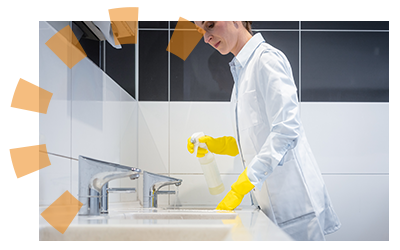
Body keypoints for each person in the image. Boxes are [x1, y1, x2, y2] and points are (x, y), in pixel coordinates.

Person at [187, 21, 341, 241]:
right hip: (270, 207)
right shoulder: (242, 71)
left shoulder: (266, 60)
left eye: (210, 25)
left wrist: (244, 183)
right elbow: (257, 139)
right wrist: (216, 144)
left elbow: (287, 130)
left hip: (293, 206)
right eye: (202, 30)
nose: (206, 38)